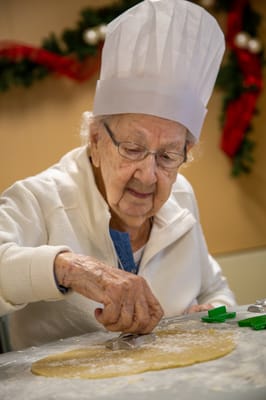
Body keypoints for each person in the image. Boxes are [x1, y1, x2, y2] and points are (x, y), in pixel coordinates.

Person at [0, 0, 236, 351]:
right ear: (95, 141)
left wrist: (209, 314)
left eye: (169, 155)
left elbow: (216, 289)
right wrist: (71, 268)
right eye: (132, 148)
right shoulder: (40, 198)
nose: (149, 174)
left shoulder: (182, 195)